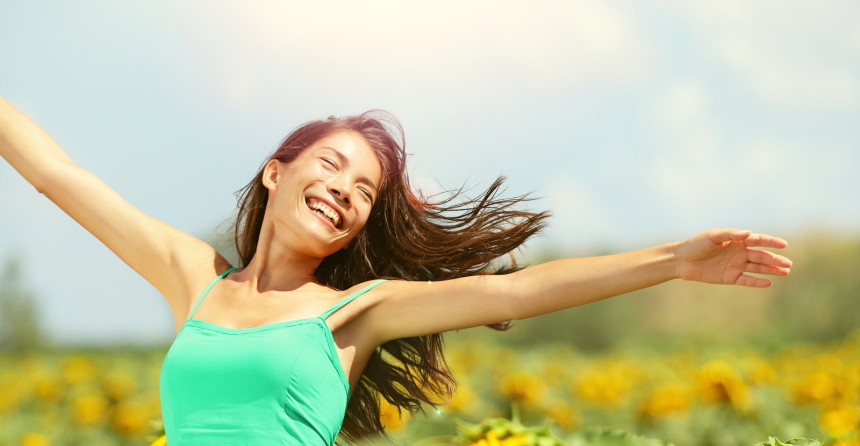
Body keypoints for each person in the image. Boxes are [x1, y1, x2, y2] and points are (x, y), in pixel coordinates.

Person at [0, 98, 792, 445]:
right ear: (277, 172)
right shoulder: (191, 277)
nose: (342, 191)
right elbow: (58, 174)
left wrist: (672, 262)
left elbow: (512, 290)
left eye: (362, 192)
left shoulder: (356, 312)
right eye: (331, 166)